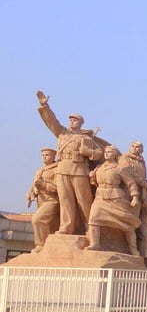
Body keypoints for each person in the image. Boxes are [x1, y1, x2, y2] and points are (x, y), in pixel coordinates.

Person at [36, 90, 105, 235]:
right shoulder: (62, 133)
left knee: (84, 200)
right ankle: (66, 227)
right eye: (71, 120)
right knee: (65, 199)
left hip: (79, 170)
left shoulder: (86, 138)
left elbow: (100, 153)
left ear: (81, 123)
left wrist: (87, 152)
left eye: (75, 120)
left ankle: (90, 228)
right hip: (62, 169)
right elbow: (51, 122)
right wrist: (45, 106)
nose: (71, 121)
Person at [85, 145, 141, 255]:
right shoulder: (99, 167)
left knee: (127, 223)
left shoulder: (120, 168)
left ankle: (133, 248)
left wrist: (135, 196)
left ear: (115, 155)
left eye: (110, 152)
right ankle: (94, 244)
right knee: (93, 219)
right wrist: (92, 177)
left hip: (116, 198)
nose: (106, 153)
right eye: (105, 152)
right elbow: (95, 184)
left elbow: (130, 183)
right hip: (100, 197)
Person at [26, 147, 60, 252]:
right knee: (49, 225)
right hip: (41, 201)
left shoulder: (57, 169)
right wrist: (30, 193)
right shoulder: (40, 170)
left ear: (54, 156)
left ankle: (40, 244)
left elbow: (59, 188)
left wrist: (43, 184)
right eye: (43, 155)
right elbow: (34, 185)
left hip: (52, 200)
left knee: (37, 219)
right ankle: (46, 246)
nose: (44, 157)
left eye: (47, 155)